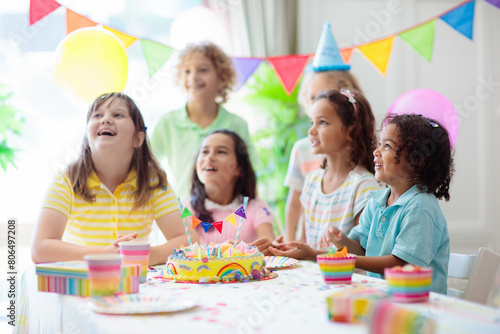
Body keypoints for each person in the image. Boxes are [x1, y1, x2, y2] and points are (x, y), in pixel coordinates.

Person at [31, 92, 193, 266]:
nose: (105, 120)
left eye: (118, 115)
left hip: (134, 285)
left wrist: (151, 254)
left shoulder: (152, 181)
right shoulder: (66, 180)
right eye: (97, 115)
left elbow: (189, 240)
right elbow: (40, 249)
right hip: (82, 285)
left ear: (138, 138)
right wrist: (105, 253)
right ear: (87, 135)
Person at [318, 114, 454, 294]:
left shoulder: (421, 208)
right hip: (385, 298)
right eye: (379, 144)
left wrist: (347, 260)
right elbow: (361, 249)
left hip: (420, 305)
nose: (376, 151)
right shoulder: (376, 202)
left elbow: (401, 264)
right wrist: (341, 241)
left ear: (416, 160)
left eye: (387, 146)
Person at [150, 41, 258, 199]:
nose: (193, 77)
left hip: (226, 217)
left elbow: (249, 175)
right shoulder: (167, 122)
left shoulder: (236, 124)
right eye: (186, 71)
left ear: (221, 77)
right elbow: (144, 166)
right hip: (184, 216)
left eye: (203, 70)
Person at [282, 89, 381, 252]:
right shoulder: (312, 181)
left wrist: (319, 251)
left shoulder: (364, 186)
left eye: (322, 122)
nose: (311, 131)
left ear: (352, 131)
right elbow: (305, 241)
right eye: (311, 122)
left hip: (348, 277)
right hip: (313, 277)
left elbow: (365, 251)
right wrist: (287, 249)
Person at [284, 70, 363, 242]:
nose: (317, 103)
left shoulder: (361, 185)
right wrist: (290, 243)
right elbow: (296, 202)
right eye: (313, 98)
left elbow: (362, 250)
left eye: (325, 95)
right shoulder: (310, 173)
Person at [188, 129, 276, 254]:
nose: (210, 157)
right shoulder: (186, 210)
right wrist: (221, 250)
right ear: (196, 165)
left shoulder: (256, 207)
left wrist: (269, 248)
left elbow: (270, 246)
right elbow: (185, 254)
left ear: (239, 168)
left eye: (221, 152)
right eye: (204, 151)